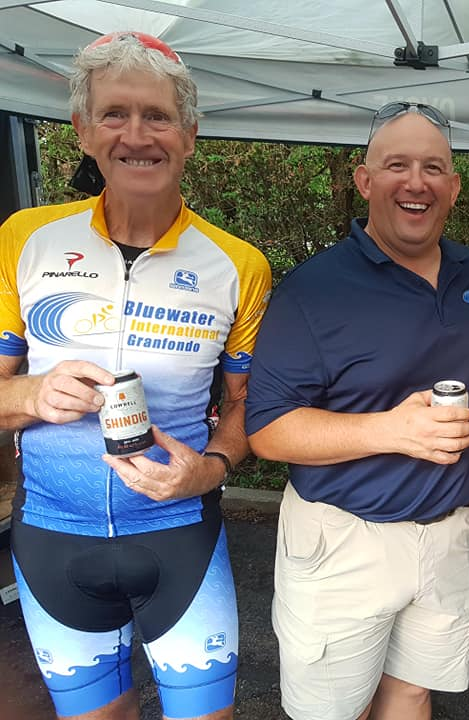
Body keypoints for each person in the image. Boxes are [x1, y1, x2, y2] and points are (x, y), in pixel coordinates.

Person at [0, 31, 272, 720]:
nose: (137, 134)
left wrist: (209, 470)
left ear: (189, 134)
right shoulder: (25, 240)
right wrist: (31, 394)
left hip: (178, 533)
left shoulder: (237, 265)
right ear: (82, 131)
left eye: (158, 116)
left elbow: (246, 407)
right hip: (54, 532)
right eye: (115, 114)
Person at [245, 102, 469, 720]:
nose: (416, 182)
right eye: (397, 166)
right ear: (365, 182)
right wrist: (394, 430)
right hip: (344, 542)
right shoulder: (314, 289)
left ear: (453, 187)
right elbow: (268, 430)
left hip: (448, 536)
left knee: (412, 695)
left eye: (433, 168)